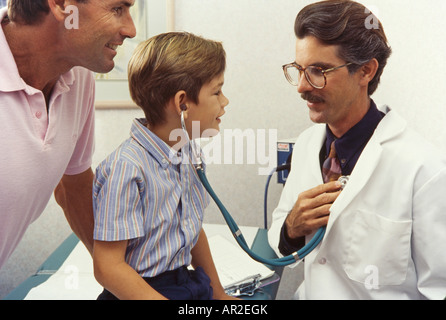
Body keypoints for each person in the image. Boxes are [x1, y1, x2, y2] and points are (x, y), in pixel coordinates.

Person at [268, 0, 446, 300]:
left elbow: (439, 289)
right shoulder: (309, 145)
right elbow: (280, 240)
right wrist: (291, 228)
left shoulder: (424, 169)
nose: (301, 86)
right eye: (299, 70)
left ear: (365, 71)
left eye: (318, 70)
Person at [92, 32, 233, 300]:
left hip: (184, 282)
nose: (224, 101)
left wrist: (219, 295)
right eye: (217, 91)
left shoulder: (188, 153)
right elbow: (108, 267)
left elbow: (191, 229)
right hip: (140, 291)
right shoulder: (127, 169)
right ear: (182, 103)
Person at [0, 0, 136, 270]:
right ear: (62, 5)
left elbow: (73, 185)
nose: (131, 30)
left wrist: (128, 276)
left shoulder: (78, 77)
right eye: (117, 9)